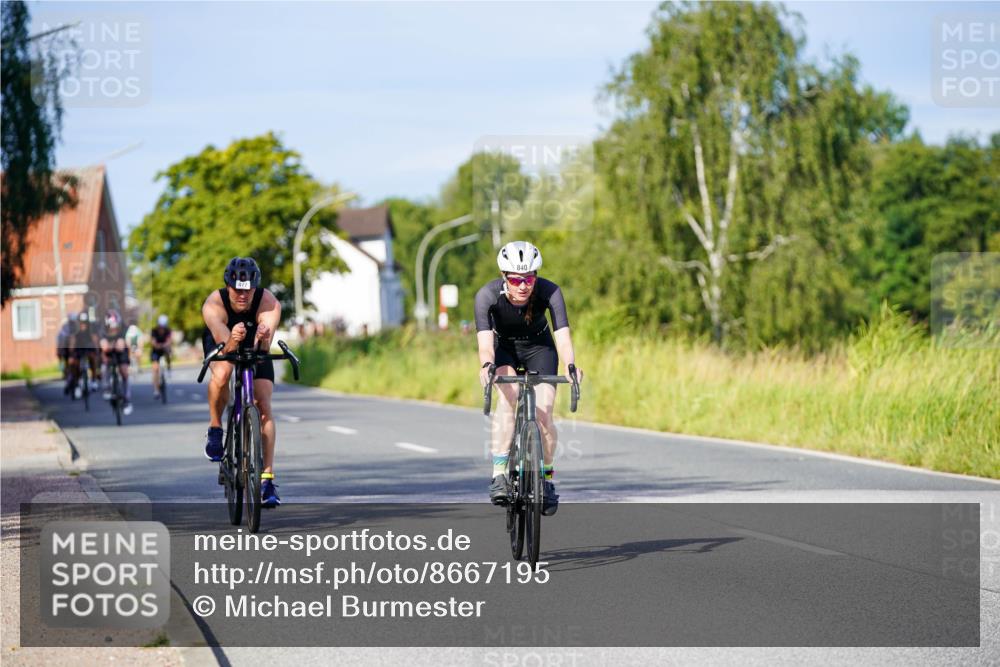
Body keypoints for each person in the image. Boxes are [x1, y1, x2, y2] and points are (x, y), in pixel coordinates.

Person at [475, 241, 583, 515]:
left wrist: (571, 367)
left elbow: (563, 338)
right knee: (508, 400)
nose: (523, 285)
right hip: (505, 350)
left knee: (544, 413)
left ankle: (546, 479)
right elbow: (486, 345)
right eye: (515, 279)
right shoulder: (486, 296)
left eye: (529, 278)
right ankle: (499, 473)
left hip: (540, 348)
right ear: (504, 277)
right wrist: (487, 366)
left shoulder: (550, 292)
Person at [201, 257, 282, 507]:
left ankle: (267, 479)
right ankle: (215, 428)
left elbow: (265, 344)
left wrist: (263, 337)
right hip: (225, 340)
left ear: (255, 286)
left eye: (248, 289)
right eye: (238, 289)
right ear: (228, 285)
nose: (243, 295)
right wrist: (235, 339)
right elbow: (226, 346)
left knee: (263, 404)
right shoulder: (214, 304)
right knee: (223, 373)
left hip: (253, 342)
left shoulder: (268, 302)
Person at [100, 309, 133, 415]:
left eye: (116, 326)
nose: (114, 329)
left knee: (124, 372)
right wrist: (108, 346)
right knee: (105, 367)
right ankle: (107, 388)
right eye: (111, 326)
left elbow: (124, 344)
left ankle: (126, 399)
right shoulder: (102, 330)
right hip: (109, 353)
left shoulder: (124, 329)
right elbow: (104, 346)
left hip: (121, 352)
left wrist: (122, 344)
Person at [67, 311, 99, 399]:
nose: (83, 324)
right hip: (78, 349)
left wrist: (97, 350)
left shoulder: (91, 329)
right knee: (74, 364)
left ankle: (93, 380)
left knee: (93, 358)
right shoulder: (75, 329)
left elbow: (94, 339)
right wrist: (71, 353)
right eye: (81, 322)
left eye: (85, 322)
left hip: (88, 348)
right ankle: (77, 385)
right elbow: (72, 341)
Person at [149, 314, 173, 399]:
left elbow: (170, 340)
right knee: (155, 369)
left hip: (164, 349)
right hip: (156, 350)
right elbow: (152, 342)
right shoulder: (154, 331)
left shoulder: (168, 331)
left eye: (164, 327)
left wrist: (165, 345)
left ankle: (169, 367)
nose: (162, 329)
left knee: (169, 352)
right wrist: (157, 345)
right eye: (161, 326)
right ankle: (156, 390)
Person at [57, 312, 78, 393]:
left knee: (74, 365)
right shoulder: (65, 328)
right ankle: (68, 381)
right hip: (66, 350)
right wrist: (60, 352)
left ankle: (74, 381)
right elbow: (61, 341)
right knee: (68, 365)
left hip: (73, 350)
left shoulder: (77, 328)